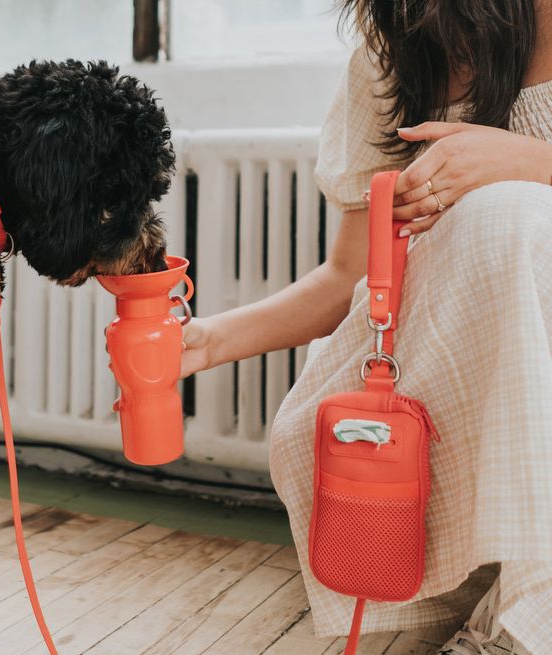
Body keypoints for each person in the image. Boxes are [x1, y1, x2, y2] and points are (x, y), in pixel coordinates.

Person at [181, 2, 552, 653]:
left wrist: (526, 163)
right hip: (461, 342)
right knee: (499, 217)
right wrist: (208, 340)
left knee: (508, 210)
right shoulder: (401, 46)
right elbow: (348, 276)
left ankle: (523, 616)